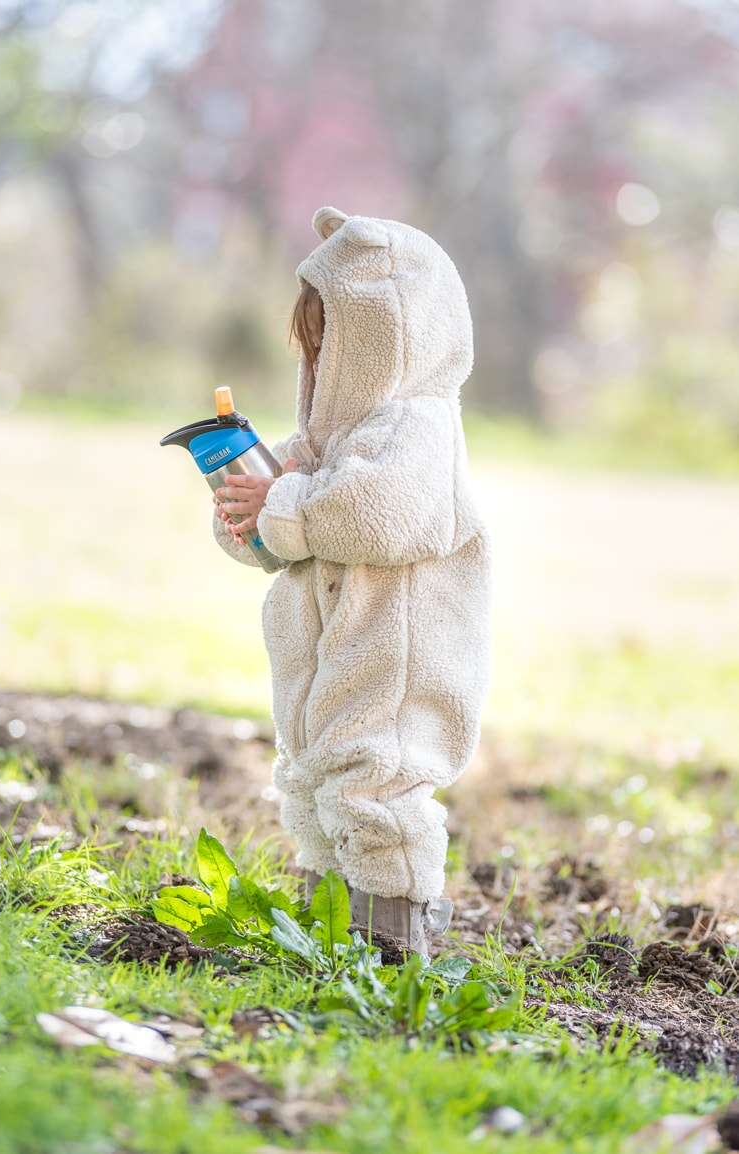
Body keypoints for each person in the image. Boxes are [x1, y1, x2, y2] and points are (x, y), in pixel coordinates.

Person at [212, 206, 492, 954]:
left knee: (376, 782)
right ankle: (329, 922)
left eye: (331, 342)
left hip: (393, 658)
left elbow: (369, 514)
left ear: (386, 338)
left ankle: (393, 936)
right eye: (310, 349)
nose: (319, 363)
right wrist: (246, 508)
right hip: (328, 661)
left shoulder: (418, 427)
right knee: (313, 781)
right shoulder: (320, 441)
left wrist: (285, 501)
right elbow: (282, 532)